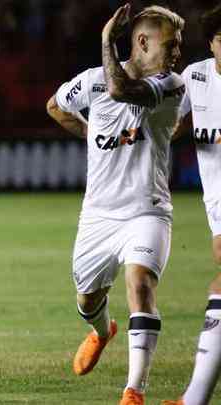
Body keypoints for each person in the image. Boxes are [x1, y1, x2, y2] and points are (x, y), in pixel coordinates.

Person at [46, 4, 184, 404]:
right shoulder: (89, 83)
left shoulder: (171, 85)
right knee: (87, 298)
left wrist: (106, 38)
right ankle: (103, 330)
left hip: (148, 209)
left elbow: (121, 90)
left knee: (140, 284)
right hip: (99, 215)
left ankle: (133, 392)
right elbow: (55, 106)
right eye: (170, 44)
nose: (177, 53)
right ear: (142, 42)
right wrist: (90, 132)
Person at [163, 4, 221, 405]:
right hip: (216, 200)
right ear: (212, 42)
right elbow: (173, 121)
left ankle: (194, 398)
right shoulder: (195, 76)